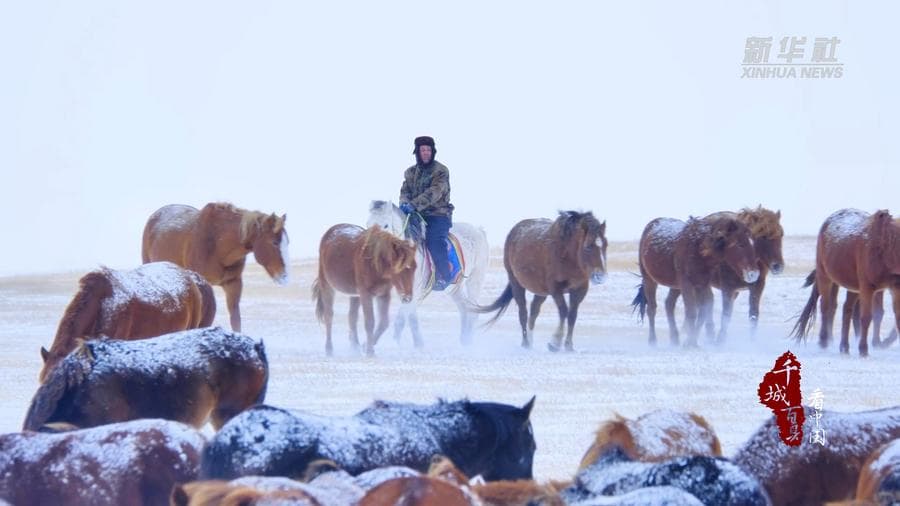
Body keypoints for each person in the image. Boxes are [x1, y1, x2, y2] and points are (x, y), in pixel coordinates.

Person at [399, 135, 454, 291]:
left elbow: (435, 192)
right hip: (414, 215)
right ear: (417, 152)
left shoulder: (441, 171)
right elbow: (405, 191)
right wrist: (404, 204)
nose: (425, 153)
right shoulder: (410, 172)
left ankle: (444, 276)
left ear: (433, 151)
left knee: (434, 241)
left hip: (438, 215)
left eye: (428, 150)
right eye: (422, 150)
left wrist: (414, 205)